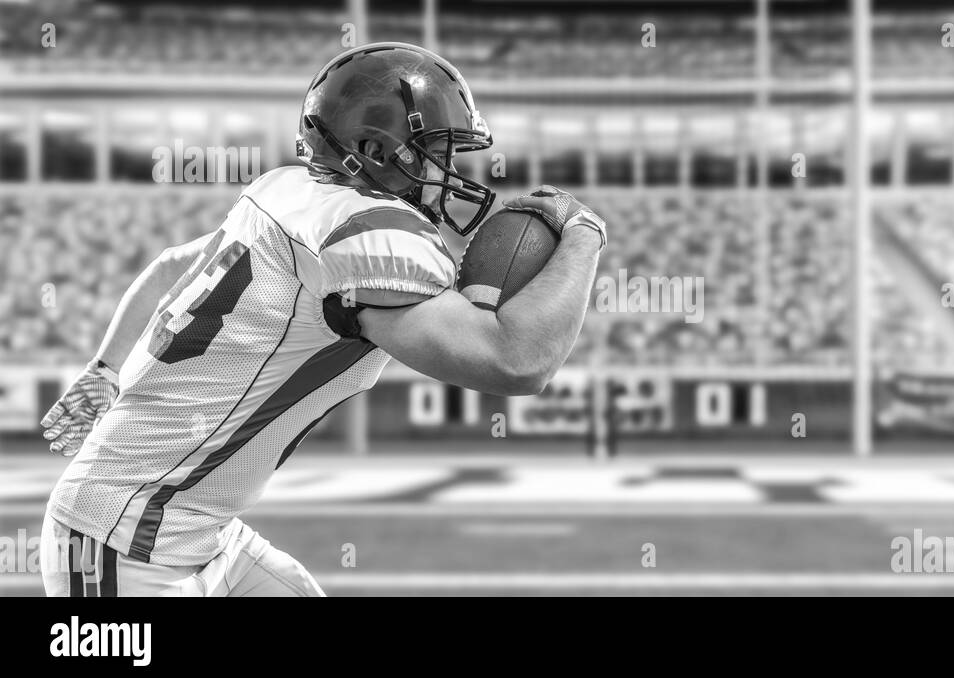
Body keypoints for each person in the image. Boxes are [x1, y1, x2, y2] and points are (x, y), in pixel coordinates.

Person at [38, 42, 606, 596]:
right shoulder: (365, 236)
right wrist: (584, 235)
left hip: (195, 533)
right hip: (120, 542)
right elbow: (516, 362)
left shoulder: (286, 191)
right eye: (436, 150)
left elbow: (168, 268)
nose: (449, 170)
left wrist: (104, 369)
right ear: (377, 150)